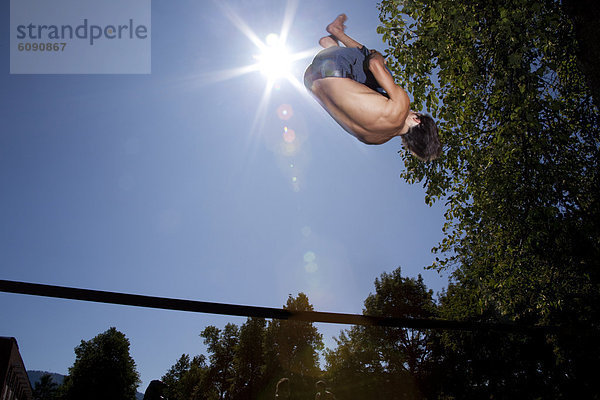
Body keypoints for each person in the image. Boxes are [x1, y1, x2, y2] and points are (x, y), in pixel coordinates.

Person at [304, 14, 442, 161]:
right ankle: (332, 45)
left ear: (417, 120)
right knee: (376, 93)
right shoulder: (376, 140)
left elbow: (373, 64)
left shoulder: (401, 107)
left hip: (332, 63)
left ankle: (336, 35)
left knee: (382, 70)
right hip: (310, 80)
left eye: (416, 112)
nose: (413, 110)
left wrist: (379, 55)